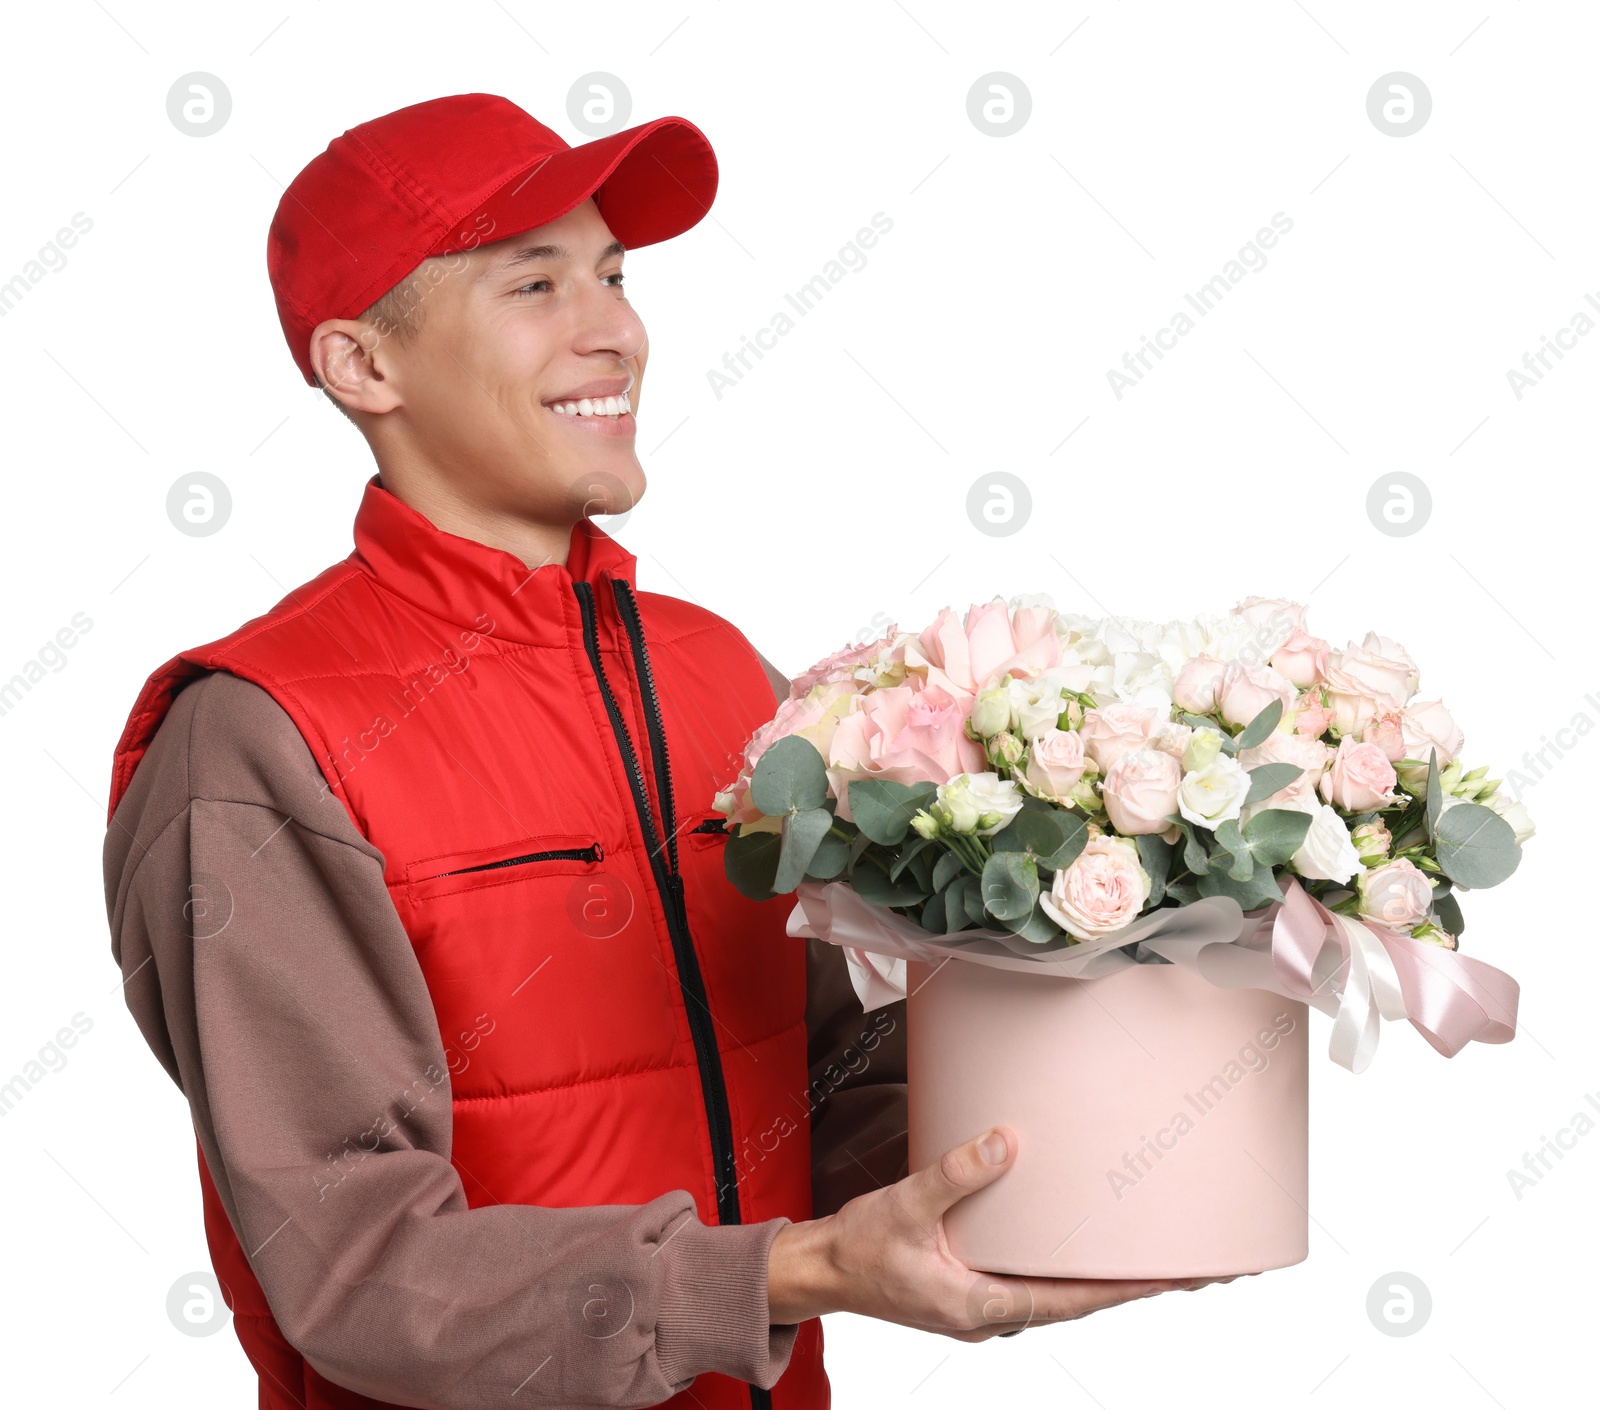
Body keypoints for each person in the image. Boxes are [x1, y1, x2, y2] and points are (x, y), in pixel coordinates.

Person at [102, 92, 1213, 1410]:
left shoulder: (714, 672)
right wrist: (783, 1275)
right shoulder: (259, 736)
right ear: (363, 365)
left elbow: (820, 1089)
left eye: (616, 275)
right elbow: (357, 1267)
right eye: (535, 281)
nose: (614, 328)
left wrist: (1121, 1083)